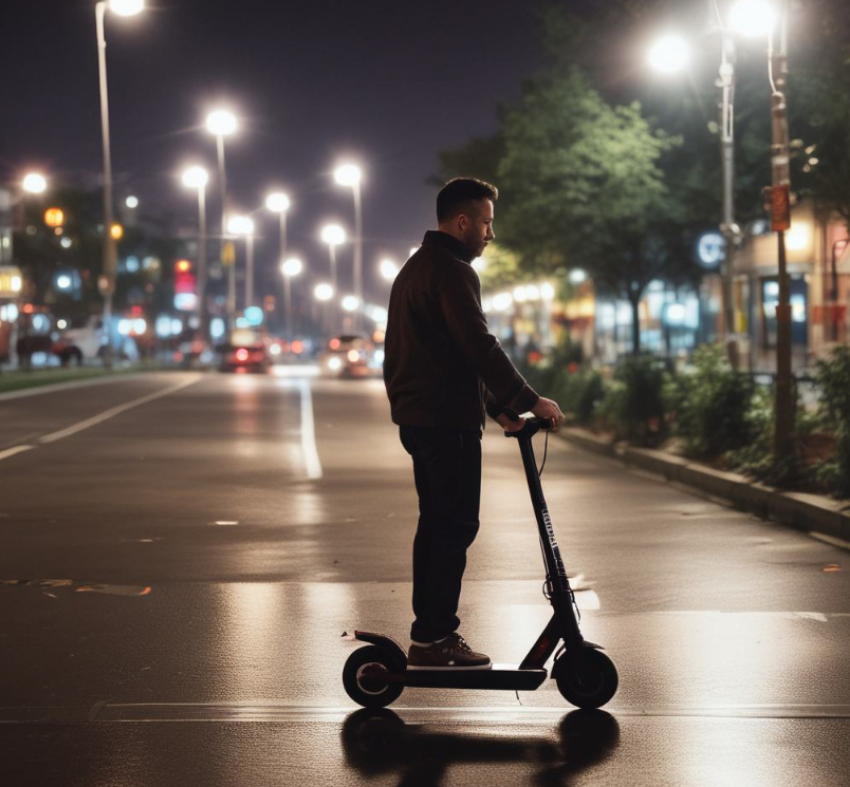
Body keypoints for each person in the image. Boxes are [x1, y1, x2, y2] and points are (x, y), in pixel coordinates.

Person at [383, 177, 564, 670]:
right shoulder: (452, 271)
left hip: (427, 418)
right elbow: (478, 345)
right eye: (485, 223)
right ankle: (434, 638)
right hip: (444, 422)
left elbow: (449, 355)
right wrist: (529, 399)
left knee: (440, 525)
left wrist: (500, 409)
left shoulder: (418, 268)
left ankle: (432, 633)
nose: (490, 234)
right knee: (453, 526)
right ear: (461, 222)